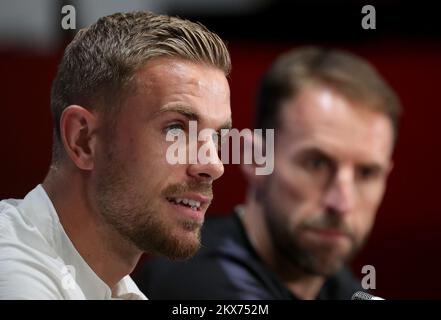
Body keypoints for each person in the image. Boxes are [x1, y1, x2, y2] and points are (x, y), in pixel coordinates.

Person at [134, 47, 402, 300]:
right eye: (316, 164)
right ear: (255, 158)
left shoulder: (328, 277)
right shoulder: (198, 281)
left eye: (366, 173)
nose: (342, 203)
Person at [0, 11, 231, 299]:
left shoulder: (117, 291)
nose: (214, 165)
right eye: (176, 129)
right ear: (83, 140)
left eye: (216, 137)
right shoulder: (12, 275)